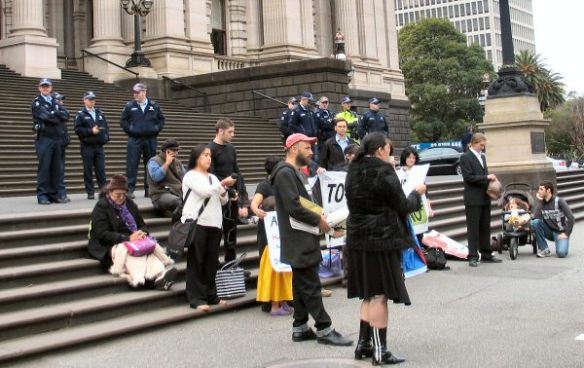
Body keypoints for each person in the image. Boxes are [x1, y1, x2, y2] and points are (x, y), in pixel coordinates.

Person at [345, 132, 425, 365]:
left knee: (369, 293)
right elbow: (402, 205)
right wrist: (416, 194)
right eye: (389, 149)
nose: (391, 153)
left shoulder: (354, 169)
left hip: (358, 238)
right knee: (379, 295)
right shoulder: (383, 170)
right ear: (380, 149)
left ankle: (364, 343)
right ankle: (381, 351)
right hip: (380, 239)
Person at [270, 133, 352, 347]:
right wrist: (320, 221)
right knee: (311, 286)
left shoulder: (296, 173)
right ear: (294, 148)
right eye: (306, 148)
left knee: (300, 285)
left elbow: (306, 205)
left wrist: (326, 222)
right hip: (299, 238)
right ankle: (325, 329)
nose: (311, 152)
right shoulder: (285, 173)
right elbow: (294, 207)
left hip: (303, 236)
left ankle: (300, 327)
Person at [88, 175, 177, 289]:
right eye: (117, 195)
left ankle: (160, 275)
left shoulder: (130, 204)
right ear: (110, 192)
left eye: (123, 195)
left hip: (133, 240)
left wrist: (142, 233)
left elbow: (142, 224)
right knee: (131, 253)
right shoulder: (102, 207)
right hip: (110, 245)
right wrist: (128, 239)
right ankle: (149, 280)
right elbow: (102, 234)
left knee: (148, 252)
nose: (121, 198)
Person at [182, 144, 236, 311]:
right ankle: (196, 298)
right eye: (205, 155)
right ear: (196, 157)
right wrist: (223, 184)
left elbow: (223, 201)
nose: (208, 158)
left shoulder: (213, 177)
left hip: (214, 223)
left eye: (210, 155)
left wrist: (224, 190)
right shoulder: (191, 176)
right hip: (197, 222)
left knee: (211, 261)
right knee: (196, 261)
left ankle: (211, 295)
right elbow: (205, 192)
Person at [252, 156, 294, 316]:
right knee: (272, 266)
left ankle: (283, 299)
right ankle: (272, 302)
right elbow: (255, 203)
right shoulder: (265, 185)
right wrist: (256, 210)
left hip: (284, 229)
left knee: (284, 266)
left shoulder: (284, 183)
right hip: (270, 231)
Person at [209, 118, 250, 263]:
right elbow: (211, 176)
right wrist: (227, 190)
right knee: (214, 232)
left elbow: (237, 172)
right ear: (220, 131)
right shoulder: (210, 149)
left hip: (232, 197)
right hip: (216, 197)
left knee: (231, 232)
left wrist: (243, 200)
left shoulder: (231, 149)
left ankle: (230, 263)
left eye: (233, 132)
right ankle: (213, 264)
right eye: (230, 132)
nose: (233, 135)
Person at [460, 133, 502, 267]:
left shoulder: (482, 157)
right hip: (472, 198)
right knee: (473, 228)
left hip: (484, 196)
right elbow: (468, 177)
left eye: (484, 145)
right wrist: (487, 178)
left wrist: (489, 180)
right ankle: (472, 255)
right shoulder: (465, 157)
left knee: (485, 227)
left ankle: (486, 253)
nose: (483, 148)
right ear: (473, 143)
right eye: (481, 145)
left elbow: (483, 174)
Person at [120, 82, 165, 199]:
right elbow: (123, 121)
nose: (135, 95)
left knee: (150, 164)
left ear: (144, 92)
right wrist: (130, 130)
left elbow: (161, 120)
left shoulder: (154, 106)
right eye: (134, 92)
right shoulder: (130, 106)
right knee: (132, 165)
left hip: (150, 139)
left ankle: (149, 189)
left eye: (138, 92)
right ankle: (129, 190)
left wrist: (156, 129)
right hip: (134, 139)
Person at [32, 78, 68, 205]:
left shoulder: (55, 101)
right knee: (45, 167)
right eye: (43, 86)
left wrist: (54, 114)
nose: (45, 88)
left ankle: (54, 194)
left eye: (47, 86)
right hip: (45, 138)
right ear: (39, 88)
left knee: (56, 168)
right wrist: (56, 114)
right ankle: (42, 195)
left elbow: (66, 116)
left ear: (51, 88)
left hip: (57, 139)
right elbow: (45, 116)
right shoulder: (37, 102)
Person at [74, 91, 110, 199]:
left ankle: (103, 191)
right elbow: (77, 130)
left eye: (93, 99)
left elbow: (106, 127)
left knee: (101, 170)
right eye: (89, 99)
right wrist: (90, 131)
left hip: (99, 146)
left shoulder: (100, 113)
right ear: (84, 100)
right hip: (87, 146)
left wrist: (106, 137)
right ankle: (90, 192)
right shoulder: (80, 114)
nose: (92, 101)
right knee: (88, 170)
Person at [399, 147, 434, 246]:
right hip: (405, 205)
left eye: (413, 158)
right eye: (409, 157)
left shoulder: (419, 172)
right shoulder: (399, 172)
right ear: (404, 158)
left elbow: (425, 192)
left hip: (418, 207)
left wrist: (429, 208)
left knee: (419, 234)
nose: (411, 160)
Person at [531, 180, 574, 258]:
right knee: (535, 222)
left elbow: (571, 217)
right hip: (548, 231)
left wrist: (566, 233)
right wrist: (540, 201)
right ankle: (544, 249)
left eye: (541, 189)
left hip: (560, 232)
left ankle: (563, 242)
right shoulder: (542, 203)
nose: (538, 191)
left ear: (548, 190)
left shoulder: (559, 201)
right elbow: (536, 218)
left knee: (561, 253)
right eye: (539, 189)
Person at [146, 139, 186, 215]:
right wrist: (167, 163)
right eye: (174, 150)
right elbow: (156, 177)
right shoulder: (154, 161)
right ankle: (176, 221)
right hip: (160, 195)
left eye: (177, 150)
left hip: (177, 193)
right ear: (166, 151)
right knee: (177, 201)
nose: (176, 153)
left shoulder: (177, 162)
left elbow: (185, 177)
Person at [53, 92, 71, 203]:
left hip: (62, 144)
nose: (61, 102)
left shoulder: (61, 110)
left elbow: (66, 116)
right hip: (56, 143)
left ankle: (60, 193)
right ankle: (60, 193)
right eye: (59, 100)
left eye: (61, 100)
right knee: (58, 170)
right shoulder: (54, 111)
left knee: (61, 169)